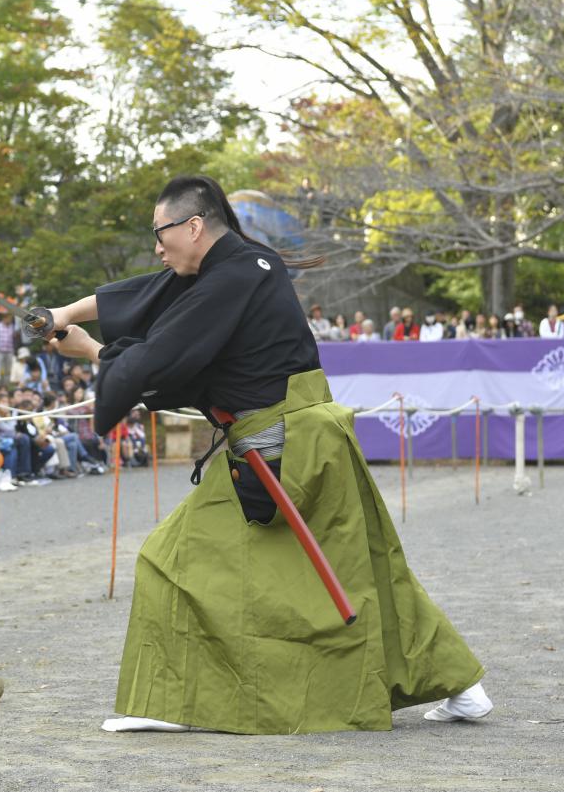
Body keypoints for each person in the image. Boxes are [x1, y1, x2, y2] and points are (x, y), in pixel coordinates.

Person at [44, 175, 488, 734]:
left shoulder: (228, 279)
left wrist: (91, 350)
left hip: (277, 448)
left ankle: (171, 702)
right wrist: (65, 311)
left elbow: (168, 360)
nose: (158, 247)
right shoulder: (245, 265)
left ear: (194, 226)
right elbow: (149, 295)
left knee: (169, 561)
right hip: (310, 437)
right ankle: (465, 689)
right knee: (369, 569)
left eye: (161, 234)